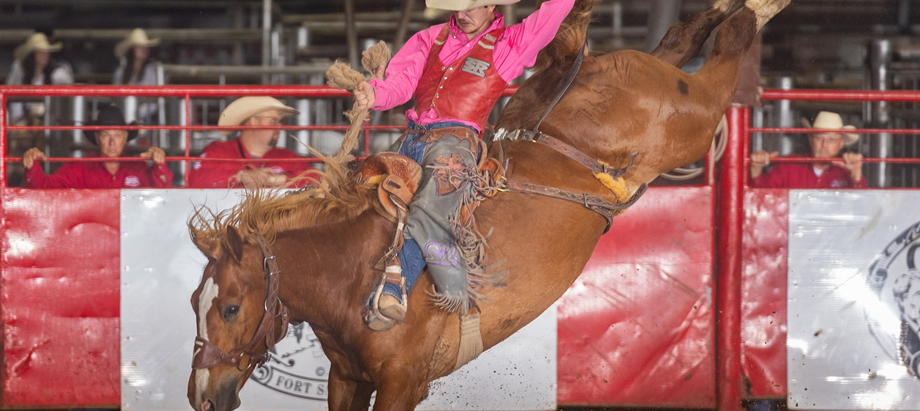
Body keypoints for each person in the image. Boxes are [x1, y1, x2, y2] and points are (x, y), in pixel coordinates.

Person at [352, 0, 576, 330]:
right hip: (412, 139)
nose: (462, 14)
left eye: (471, 6)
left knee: (430, 206)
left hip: (456, 146)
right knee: (357, 190)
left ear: (491, 6)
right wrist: (375, 95)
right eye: (458, 5)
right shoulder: (429, 37)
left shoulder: (509, 43)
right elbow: (401, 82)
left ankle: (393, 289)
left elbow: (555, 10)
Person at [23, 105, 172, 188]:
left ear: (125, 138)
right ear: (97, 138)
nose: (112, 142)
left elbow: (163, 195)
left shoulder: (139, 169)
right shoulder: (80, 170)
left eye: (118, 135)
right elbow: (45, 186)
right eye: (106, 135)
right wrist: (32, 166)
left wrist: (159, 165)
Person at [189, 96, 313, 188]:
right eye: (273, 121)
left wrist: (278, 179)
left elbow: (317, 179)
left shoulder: (288, 156)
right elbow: (196, 179)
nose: (280, 127)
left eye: (280, 122)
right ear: (253, 122)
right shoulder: (218, 150)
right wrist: (241, 176)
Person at [750, 111, 867, 189]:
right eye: (819, 138)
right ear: (810, 139)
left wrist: (856, 173)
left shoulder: (848, 171)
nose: (824, 144)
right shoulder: (787, 165)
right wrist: (756, 169)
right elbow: (761, 197)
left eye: (831, 140)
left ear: (840, 144)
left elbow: (864, 209)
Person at [6, 33, 74, 123]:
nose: (44, 55)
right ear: (32, 55)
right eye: (40, 52)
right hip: (23, 121)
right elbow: (12, 95)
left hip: (49, 121)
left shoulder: (58, 73)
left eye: (46, 52)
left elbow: (67, 97)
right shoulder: (20, 71)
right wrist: (19, 120)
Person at [113, 28, 161, 126]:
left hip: (147, 120)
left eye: (145, 46)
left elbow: (154, 102)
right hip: (123, 118)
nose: (144, 49)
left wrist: (137, 114)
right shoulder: (121, 72)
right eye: (140, 46)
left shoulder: (151, 71)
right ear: (132, 50)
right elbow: (115, 97)